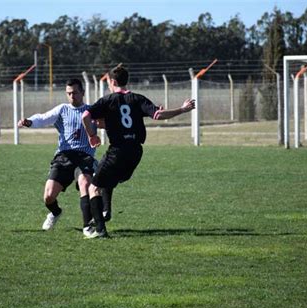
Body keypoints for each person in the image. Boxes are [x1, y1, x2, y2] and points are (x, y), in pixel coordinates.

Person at [81, 64, 196, 238]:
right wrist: (182, 109)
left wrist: (91, 136)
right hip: (135, 152)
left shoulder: (107, 100)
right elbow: (158, 115)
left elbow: (85, 116)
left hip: (117, 151)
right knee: (108, 180)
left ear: (112, 82)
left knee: (93, 187)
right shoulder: (138, 99)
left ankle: (100, 230)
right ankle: (105, 211)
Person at [18, 78, 99, 237]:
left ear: (82, 92)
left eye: (75, 92)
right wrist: (30, 122)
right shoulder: (62, 109)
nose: (72, 96)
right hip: (63, 157)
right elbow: (43, 118)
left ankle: (87, 227)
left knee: (85, 184)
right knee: (48, 197)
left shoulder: (92, 110)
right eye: (69, 93)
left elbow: (107, 121)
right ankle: (55, 213)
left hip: (84, 156)